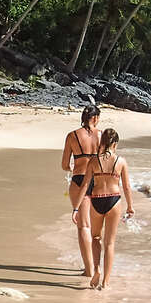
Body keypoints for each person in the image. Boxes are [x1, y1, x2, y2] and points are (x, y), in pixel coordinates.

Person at [81, 128, 134, 290]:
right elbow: (126, 187)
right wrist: (130, 207)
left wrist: (76, 208)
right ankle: (105, 282)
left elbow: (85, 185)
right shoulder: (121, 161)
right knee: (109, 243)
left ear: (102, 143)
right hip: (113, 200)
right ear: (115, 144)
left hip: (96, 200)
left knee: (95, 237)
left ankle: (96, 269)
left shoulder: (93, 161)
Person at [61, 104, 102, 276]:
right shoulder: (102, 135)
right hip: (100, 182)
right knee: (97, 228)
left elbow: (64, 165)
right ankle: (98, 266)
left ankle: (89, 270)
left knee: (83, 226)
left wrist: (74, 167)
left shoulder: (72, 136)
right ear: (95, 118)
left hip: (79, 179)